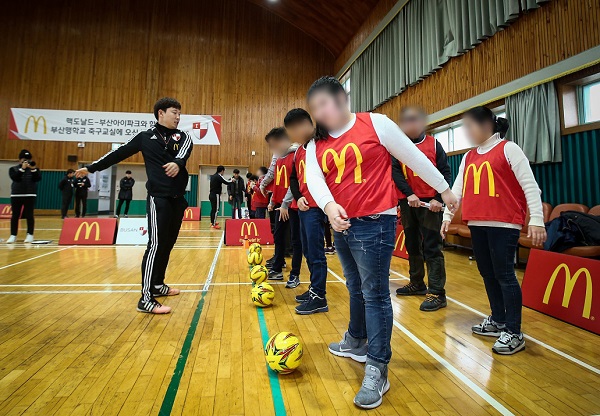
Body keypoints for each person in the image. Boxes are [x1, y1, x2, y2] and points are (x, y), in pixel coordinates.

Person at [304, 76, 458, 409]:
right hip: (343, 225)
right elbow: (315, 181)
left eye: (324, 103)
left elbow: (414, 158)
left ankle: (378, 365)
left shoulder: (375, 124)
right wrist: (330, 208)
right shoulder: (315, 145)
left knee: (374, 294)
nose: (320, 112)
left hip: (376, 224)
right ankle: (356, 340)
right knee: (355, 286)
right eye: (314, 108)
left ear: (342, 99)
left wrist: (444, 188)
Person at [441, 106, 546, 355]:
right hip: (477, 223)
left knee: (505, 275)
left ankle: (514, 331)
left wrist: (537, 221)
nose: (466, 132)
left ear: (486, 125)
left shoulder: (509, 148)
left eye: (469, 126)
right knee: (487, 273)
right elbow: (457, 191)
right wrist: (446, 215)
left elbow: (531, 187)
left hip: (504, 224)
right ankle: (498, 320)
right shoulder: (468, 157)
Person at [75, 97, 192, 314]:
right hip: (158, 199)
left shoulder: (182, 136)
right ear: (161, 113)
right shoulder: (145, 137)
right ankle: (146, 298)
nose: (178, 117)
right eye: (174, 112)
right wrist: (91, 168)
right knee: (155, 245)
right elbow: (118, 153)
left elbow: (184, 151)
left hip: (178, 200)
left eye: (179, 113)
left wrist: (177, 162)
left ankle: (158, 284)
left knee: (167, 244)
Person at [393, 106, 452, 312]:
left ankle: (437, 292)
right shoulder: (398, 147)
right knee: (412, 245)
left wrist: (438, 198)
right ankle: (417, 282)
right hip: (408, 202)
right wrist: (409, 194)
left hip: (430, 204)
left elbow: (444, 172)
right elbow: (395, 173)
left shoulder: (434, 144)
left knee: (432, 247)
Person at [284, 108, 329, 314]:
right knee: (308, 251)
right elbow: (294, 178)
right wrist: (298, 196)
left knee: (317, 252)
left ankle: (319, 296)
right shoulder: (299, 151)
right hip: (304, 206)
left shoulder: (323, 145)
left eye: (293, 129)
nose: (293, 135)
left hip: (319, 207)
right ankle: (314, 289)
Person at [263, 127, 302, 288]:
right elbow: (278, 183)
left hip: (292, 206)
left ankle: (295, 274)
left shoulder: (295, 156)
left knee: (295, 240)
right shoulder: (279, 158)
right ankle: (278, 266)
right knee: (278, 236)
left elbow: (293, 183)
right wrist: (273, 201)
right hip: (281, 205)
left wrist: (286, 203)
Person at [7, 149, 41, 243]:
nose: (26, 161)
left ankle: (30, 234)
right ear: (20, 160)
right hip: (16, 194)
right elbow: (15, 178)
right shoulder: (13, 169)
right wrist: (22, 169)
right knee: (15, 215)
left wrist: (33, 169)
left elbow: (38, 178)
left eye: (28, 159)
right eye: (24, 159)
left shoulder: (34, 169)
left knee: (29, 215)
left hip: (30, 194)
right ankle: (13, 235)